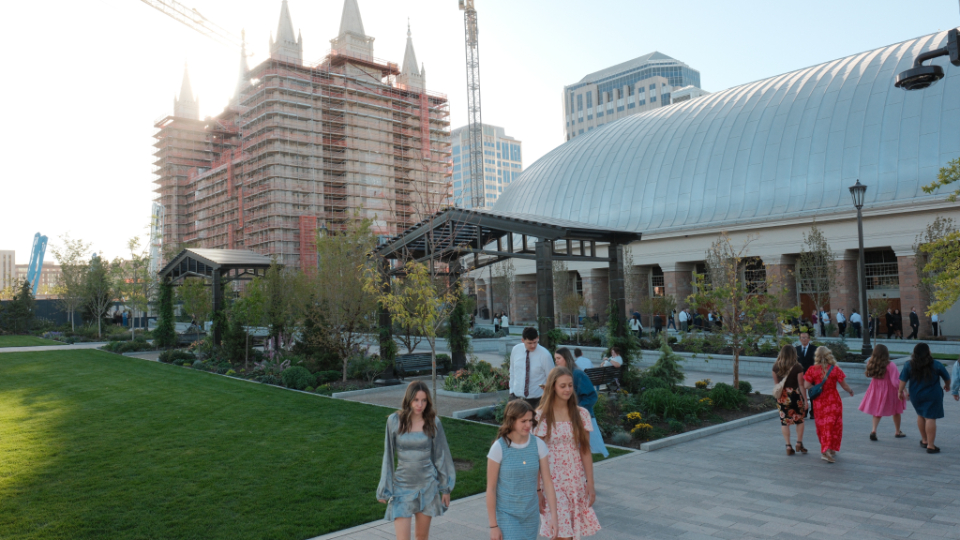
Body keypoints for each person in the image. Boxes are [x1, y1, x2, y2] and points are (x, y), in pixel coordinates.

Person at [377, 381, 456, 540]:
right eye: (416, 400)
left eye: (424, 400)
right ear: (409, 399)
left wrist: (446, 488)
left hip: (427, 487)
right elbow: (388, 456)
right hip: (402, 486)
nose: (420, 405)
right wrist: (385, 488)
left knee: (421, 537)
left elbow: (441, 456)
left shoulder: (433, 422)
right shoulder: (394, 421)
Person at [535, 367, 601, 539]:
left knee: (569, 533)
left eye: (570, 385)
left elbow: (585, 450)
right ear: (553, 387)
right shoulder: (542, 416)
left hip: (574, 479)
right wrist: (538, 489)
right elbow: (536, 455)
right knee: (559, 532)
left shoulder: (581, 414)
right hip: (552, 480)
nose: (567, 390)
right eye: (562, 386)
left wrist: (590, 483)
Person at [486, 400, 558, 540]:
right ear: (511, 421)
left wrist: (554, 517)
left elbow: (548, 482)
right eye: (523, 421)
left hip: (530, 515)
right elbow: (491, 489)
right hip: (507, 515)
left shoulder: (538, 445)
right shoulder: (499, 447)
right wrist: (493, 526)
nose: (528, 425)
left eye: (530, 420)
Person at [803, 346, 854, 463]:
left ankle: (826, 448)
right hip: (833, 401)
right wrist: (850, 391)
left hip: (819, 402)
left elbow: (806, 385)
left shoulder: (812, 369)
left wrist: (817, 387)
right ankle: (827, 450)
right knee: (833, 425)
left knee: (822, 425)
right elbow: (844, 385)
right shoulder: (835, 369)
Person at [898, 343, 952, 453]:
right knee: (930, 417)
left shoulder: (909, 365)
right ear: (928, 352)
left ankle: (924, 440)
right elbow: (947, 377)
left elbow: (903, 380)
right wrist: (947, 385)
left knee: (921, 415)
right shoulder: (936, 364)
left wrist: (900, 391)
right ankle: (931, 446)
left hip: (916, 395)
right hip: (933, 395)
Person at [555, 348, 607, 457]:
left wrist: (577, 408)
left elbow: (592, 396)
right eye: (555, 359)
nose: (556, 361)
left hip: (580, 418)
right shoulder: (560, 374)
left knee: (583, 451)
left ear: (566, 358)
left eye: (559, 358)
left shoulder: (577, 374)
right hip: (566, 417)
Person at [858, 344, 906, 440]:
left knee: (877, 410)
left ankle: (874, 430)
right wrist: (902, 389)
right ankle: (897, 431)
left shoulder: (870, 363)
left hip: (876, 390)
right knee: (896, 410)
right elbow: (895, 381)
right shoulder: (890, 365)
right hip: (890, 390)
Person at [772, 345, 808, 456]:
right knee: (800, 420)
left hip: (782, 397)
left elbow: (776, 384)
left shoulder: (775, 367)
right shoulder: (797, 367)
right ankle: (799, 443)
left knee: (784, 422)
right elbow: (801, 384)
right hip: (795, 396)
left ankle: (788, 445)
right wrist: (805, 400)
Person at [509, 327, 555, 409]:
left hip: (537, 401)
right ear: (523, 340)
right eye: (529, 343)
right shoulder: (516, 350)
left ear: (538, 338)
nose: (533, 345)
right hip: (516, 399)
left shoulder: (545, 355)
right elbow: (512, 371)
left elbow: (552, 377)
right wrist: (511, 391)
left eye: (535, 342)